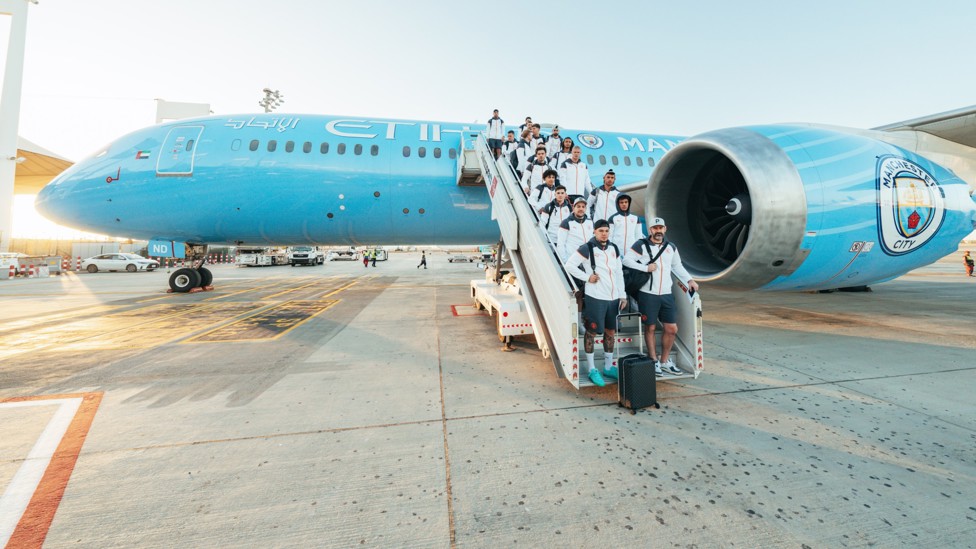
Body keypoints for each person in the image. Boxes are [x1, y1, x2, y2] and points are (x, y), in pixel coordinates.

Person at [622, 217, 698, 377]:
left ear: (665, 229)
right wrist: (644, 267)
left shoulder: (671, 247)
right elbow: (627, 261)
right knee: (649, 327)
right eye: (655, 228)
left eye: (660, 228)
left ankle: (664, 361)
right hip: (648, 294)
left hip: (666, 294)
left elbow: (678, 266)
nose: (658, 231)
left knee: (671, 329)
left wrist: (690, 279)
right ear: (650, 230)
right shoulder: (641, 245)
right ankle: (653, 360)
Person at [563, 219, 627, 387]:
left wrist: (623, 295)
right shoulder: (587, 248)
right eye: (601, 231)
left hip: (613, 298)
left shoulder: (614, 248)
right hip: (596, 297)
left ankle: (607, 366)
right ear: (594, 232)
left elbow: (619, 272)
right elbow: (569, 265)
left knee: (610, 332)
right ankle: (592, 369)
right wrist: (587, 278)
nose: (604, 233)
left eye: (606, 230)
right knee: (592, 333)